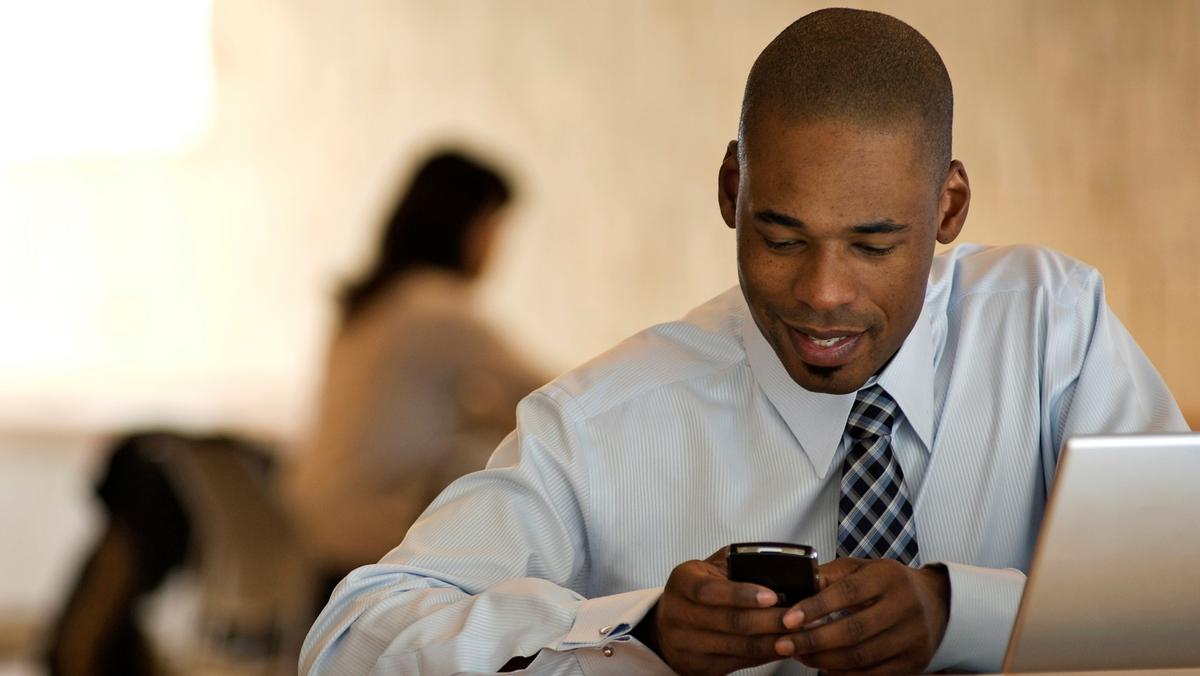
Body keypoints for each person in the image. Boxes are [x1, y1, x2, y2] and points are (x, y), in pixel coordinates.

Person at [298, 10, 1188, 676]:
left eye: (875, 244)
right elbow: (349, 638)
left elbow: (1177, 599)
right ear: (731, 189)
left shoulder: (1051, 329)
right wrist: (638, 633)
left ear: (949, 208)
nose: (823, 294)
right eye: (781, 236)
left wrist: (960, 610)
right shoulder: (606, 419)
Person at [283, 150, 546, 591]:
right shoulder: (434, 307)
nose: (496, 246)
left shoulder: (373, 304)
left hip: (310, 533)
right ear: (460, 225)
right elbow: (556, 394)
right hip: (367, 543)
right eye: (493, 226)